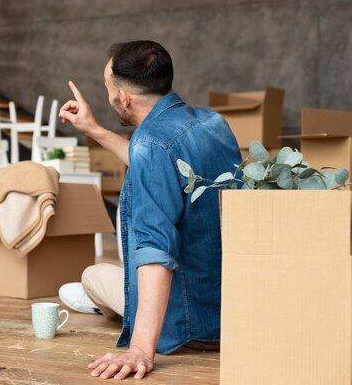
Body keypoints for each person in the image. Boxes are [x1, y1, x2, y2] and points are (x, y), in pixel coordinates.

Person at [58, 40, 241, 380]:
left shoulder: (151, 146)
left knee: (91, 276)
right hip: (233, 307)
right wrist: (94, 129)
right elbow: (158, 163)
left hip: (193, 323)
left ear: (124, 97)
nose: (111, 98)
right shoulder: (212, 122)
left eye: (109, 90)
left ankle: (126, 314)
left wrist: (140, 348)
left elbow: (156, 249)